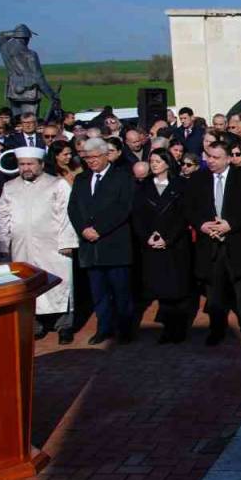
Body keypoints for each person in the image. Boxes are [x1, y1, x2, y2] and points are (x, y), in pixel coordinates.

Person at [0, 147, 77, 340]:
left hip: (53, 247)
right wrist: (3, 243)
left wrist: (66, 241)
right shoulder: (10, 186)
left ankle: (64, 326)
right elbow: (1, 216)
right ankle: (35, 325)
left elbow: (67, 215)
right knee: (27, 284)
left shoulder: (57, 184)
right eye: (22, 164)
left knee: (60, 284)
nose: (26, 168)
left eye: (30, 164)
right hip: (22, 247)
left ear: (41, 164)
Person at [186, 141, 241, 345]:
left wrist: (231, 224)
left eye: (216, 157)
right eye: (209, 156)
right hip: (209, 244)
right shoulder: (198, 178)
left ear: (228, 158)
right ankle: (216, 329)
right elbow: (189, 207)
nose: (211, 160)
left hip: (237, 242)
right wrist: (202, 225)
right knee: (214, 293)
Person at [68, 137, 136, 345]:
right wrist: (84, 230)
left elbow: (123, 208)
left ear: (106, 155)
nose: (91, 161)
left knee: (121, 291)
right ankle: (103, 328)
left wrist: (99, 229)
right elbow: (73, 209)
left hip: (114, 243)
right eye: (87, 157)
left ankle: (125, 329)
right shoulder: (81, 180)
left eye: (95, 156)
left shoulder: (123, 177)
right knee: (99, 293)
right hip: (90, 246)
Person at [131, 149, 196, 344]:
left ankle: (180, 328)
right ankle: (168, 328)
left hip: (175, 245)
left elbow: (184, 215)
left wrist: (168, 238)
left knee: (179, 288)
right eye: (152, 161)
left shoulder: (181, 185)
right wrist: (147, 237)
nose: (154, 164)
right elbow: (138, 216)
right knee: (162, 289)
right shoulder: (143, 187)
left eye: (158, 161)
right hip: (152, 245)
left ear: (168, 163)